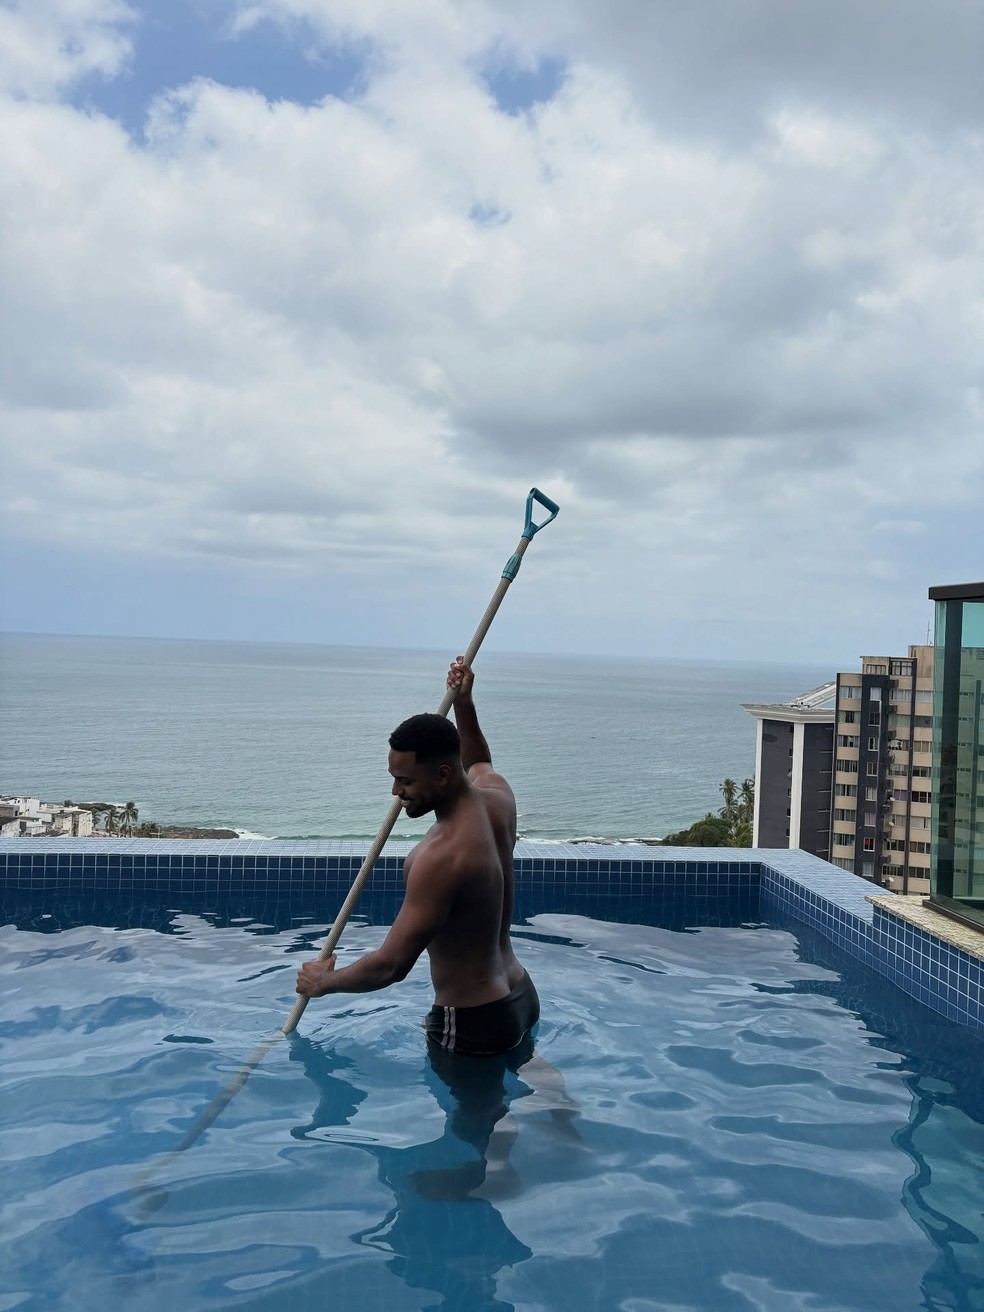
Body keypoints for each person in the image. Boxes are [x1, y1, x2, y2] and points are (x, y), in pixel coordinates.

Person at [295, 657, 539, 1057]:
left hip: (473, 1018)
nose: (396, 792)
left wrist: (323, 983)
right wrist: (464, 704)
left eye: (405, 780)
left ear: (443, 775)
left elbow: (391, 966)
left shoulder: (441, 857)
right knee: (523, 1076)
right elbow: (478, 761)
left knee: (475, 1102)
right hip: (521, 994)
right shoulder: (499, 798)